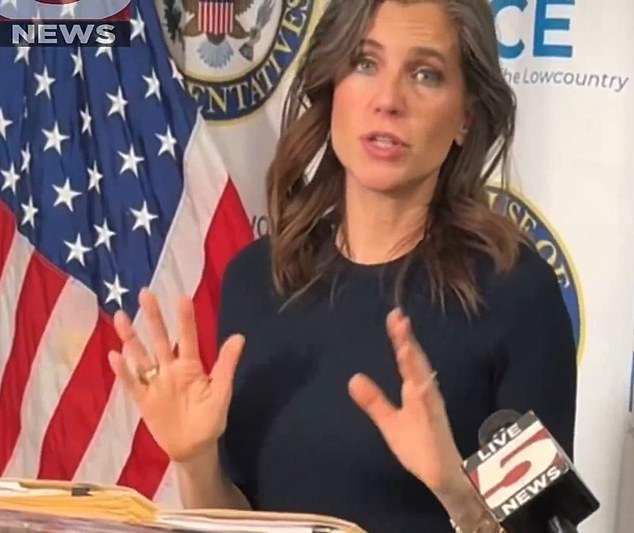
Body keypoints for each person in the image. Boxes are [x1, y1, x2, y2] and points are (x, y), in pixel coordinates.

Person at [108, 1, 577, 531]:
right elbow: (244, 522)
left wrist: (458, 494)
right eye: (365, 63)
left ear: (465, 117)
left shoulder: (519, 294)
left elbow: (544, 525)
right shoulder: (258, 279)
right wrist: (194, 460)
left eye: (425, 74)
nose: (388, 100)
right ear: (333, 86)